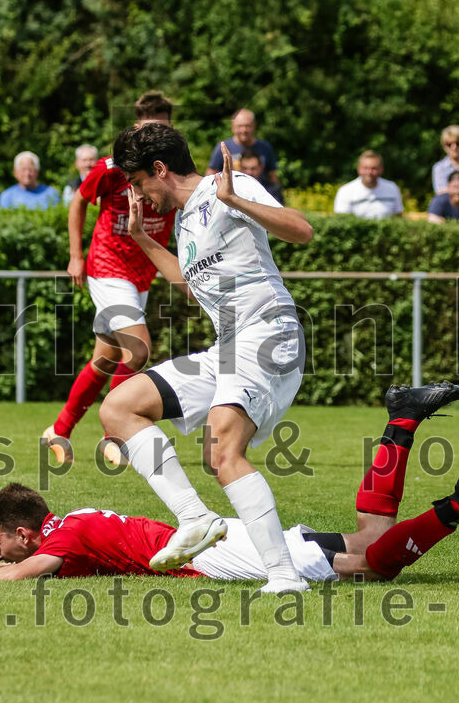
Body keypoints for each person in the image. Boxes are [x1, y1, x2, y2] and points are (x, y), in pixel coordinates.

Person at [0, 384, 459, 582]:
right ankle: (401, 418)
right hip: (223, 541)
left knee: (373, 564)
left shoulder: (65, 539)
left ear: (23, 533)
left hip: (221, 557)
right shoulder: (71, 520)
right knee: (372, 536)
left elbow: (11, 580)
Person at [102, 122, 314, 594]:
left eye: (137, 182)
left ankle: (284, 577)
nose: (139, 194)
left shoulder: (229, 185)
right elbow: (191, 283)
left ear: (159, 169)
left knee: (222, 446)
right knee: (120, 407)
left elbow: (302, 230)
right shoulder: (181, 221)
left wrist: (235, 199)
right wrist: (142, 237)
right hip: (229, 346)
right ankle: (194, 518)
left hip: (268, 330)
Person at [41, 91, 177, 468]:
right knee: (139, 348)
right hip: (107, 265)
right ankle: (113, 436)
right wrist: (75, 255)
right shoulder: (112, 166)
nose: (155, 134)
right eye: (149, 127)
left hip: (143, 272)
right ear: (136, 126)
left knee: (107, 358)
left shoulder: (172, 165)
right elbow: (79, 201)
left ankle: (59, 429)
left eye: (162, 127)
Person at [205, 109, 280, 190]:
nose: (243, 130)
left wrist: (278, 196)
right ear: (233, 127)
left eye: (247, 126)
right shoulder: (223, 147)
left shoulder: (265, 147)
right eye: (239, 126)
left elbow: (272, 176)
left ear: (254, 126)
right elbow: (211, 174)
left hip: (260, 194)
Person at [333, 151, 403, 220]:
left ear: (381, 169)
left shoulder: (392, 188)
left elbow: (398, 218)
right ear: (359, 169)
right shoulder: (345, 191)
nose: (369, 172)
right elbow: (341, 221)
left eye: (374, 168)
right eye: (365, 168)